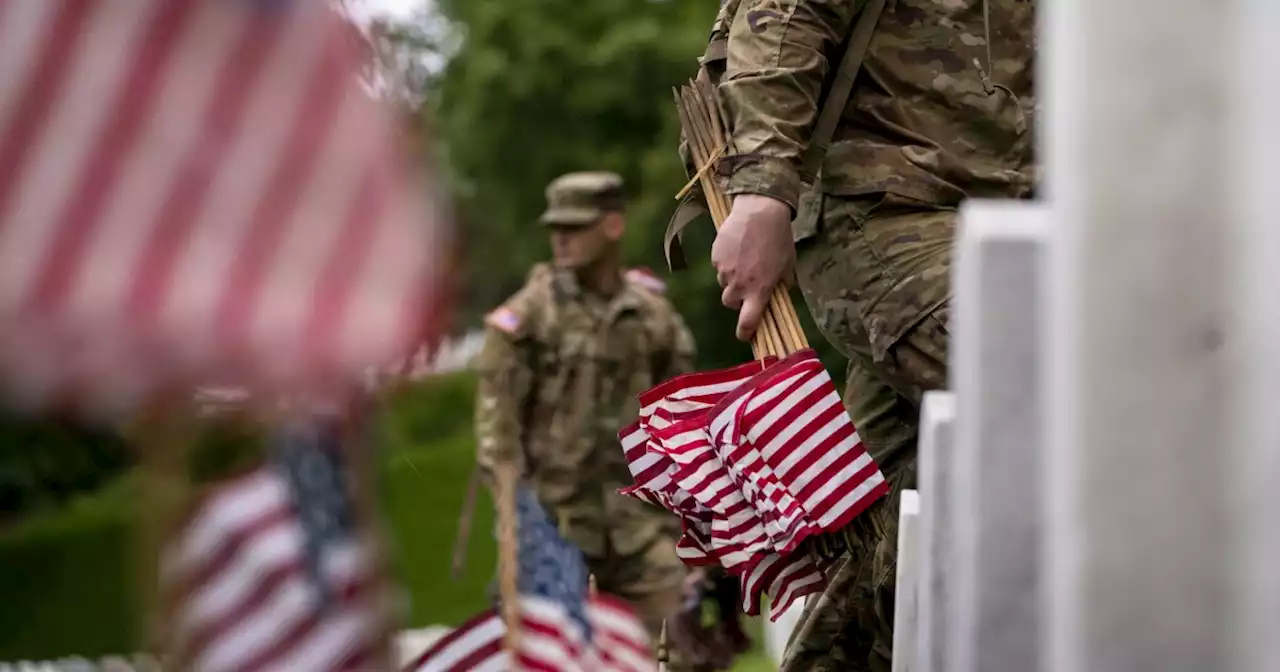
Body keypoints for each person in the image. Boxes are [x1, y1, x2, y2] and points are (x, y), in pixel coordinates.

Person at [682, 1, 1037, 670]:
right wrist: (761, 193)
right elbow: (787, 11)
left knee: (890, 539)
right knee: (1049, 390)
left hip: (1015, 236)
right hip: (886, 220)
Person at [473, 171, 700, 669]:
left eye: (575, 227)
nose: (561, 238)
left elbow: (683, 413)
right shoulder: (528, 318)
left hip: (636, 522)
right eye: (556, 227)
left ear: (613, 226)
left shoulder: (650, 315)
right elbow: (498, 436)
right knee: (548, 653)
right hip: (556, 521)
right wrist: (517, 517)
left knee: (685, 639)